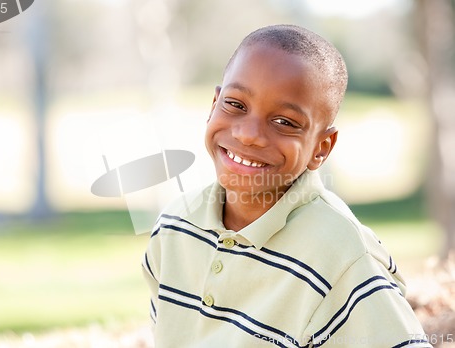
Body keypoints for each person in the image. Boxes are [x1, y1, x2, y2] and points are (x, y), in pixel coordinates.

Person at [142, 24, 431, 347]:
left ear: (321, 147)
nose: (249, 134)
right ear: (213, 104)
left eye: (285, 122)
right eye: (236, 104)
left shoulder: (340, 254)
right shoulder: (175, 226)